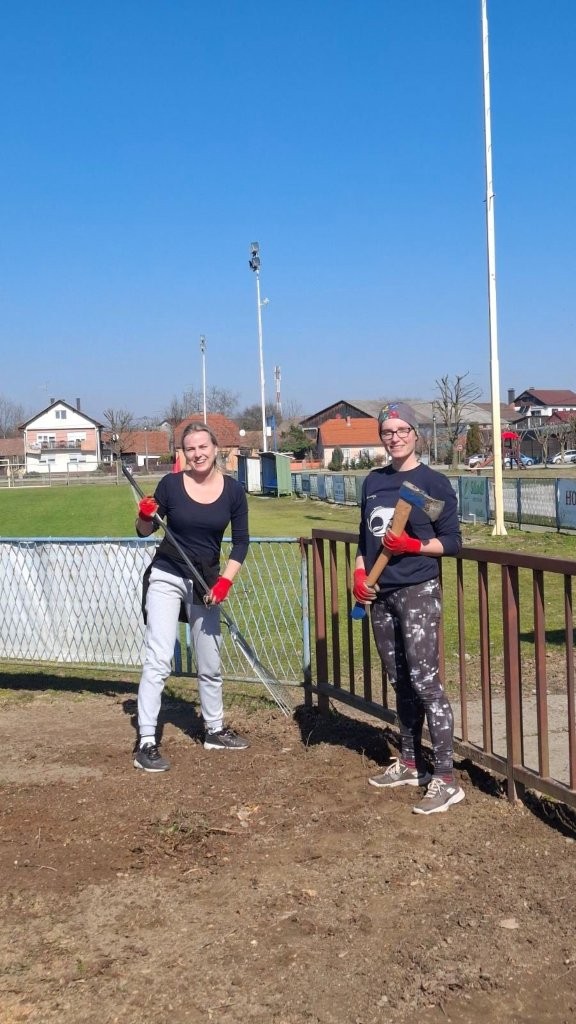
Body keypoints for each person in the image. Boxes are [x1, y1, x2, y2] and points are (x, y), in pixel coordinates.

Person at [353, 401, 464, 814]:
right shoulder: (373, 483)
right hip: (380, 592)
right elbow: (363, 539)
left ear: (416, 434)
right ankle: (410, 761)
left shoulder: (430, 484)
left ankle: (446, 778)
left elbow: (451, 541)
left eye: (402, 430)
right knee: (399, 680)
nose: (395, 437)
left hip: (418, 589)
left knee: (425, 683)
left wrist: (413, 545)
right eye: (388, 431)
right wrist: (359, 573)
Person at [133, 422, 250, 772]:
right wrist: (144, 515)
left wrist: (224, 583)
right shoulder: (170, 485)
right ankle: (146, 742)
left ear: (215, 449)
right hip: (167, 574)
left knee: (209, 661)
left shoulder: (233, 491)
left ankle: (214, 730)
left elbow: (241, 542)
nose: (197, 454)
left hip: (206, 582)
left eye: (203, 447)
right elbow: (144, 532)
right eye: (190, 449)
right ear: (182, 453)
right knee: (159, 658)